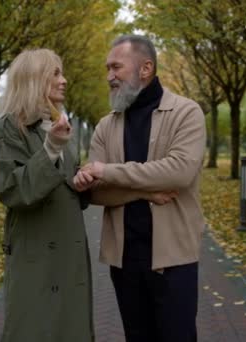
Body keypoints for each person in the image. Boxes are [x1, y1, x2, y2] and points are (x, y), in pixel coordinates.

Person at [74, 35, 206, 342]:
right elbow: (93, 191)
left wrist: (108, 171)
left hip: (174, 259)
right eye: (107, 68)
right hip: (125, 260)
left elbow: (179, 173)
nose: (109, 76)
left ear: (145, 68)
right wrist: (145, 191)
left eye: (116, 67)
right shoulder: (106, 126)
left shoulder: (187, 113)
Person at [0, 48, 93, 342]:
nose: (64, 80)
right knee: (35, 328)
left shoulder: (59, 125)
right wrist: (50, 150)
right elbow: (11, 190)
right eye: (56, 73)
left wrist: (81, 183)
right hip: (36, 251)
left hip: (69, 252)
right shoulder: (9, 127)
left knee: (69, 327)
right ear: (35, 79)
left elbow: (64, 183)